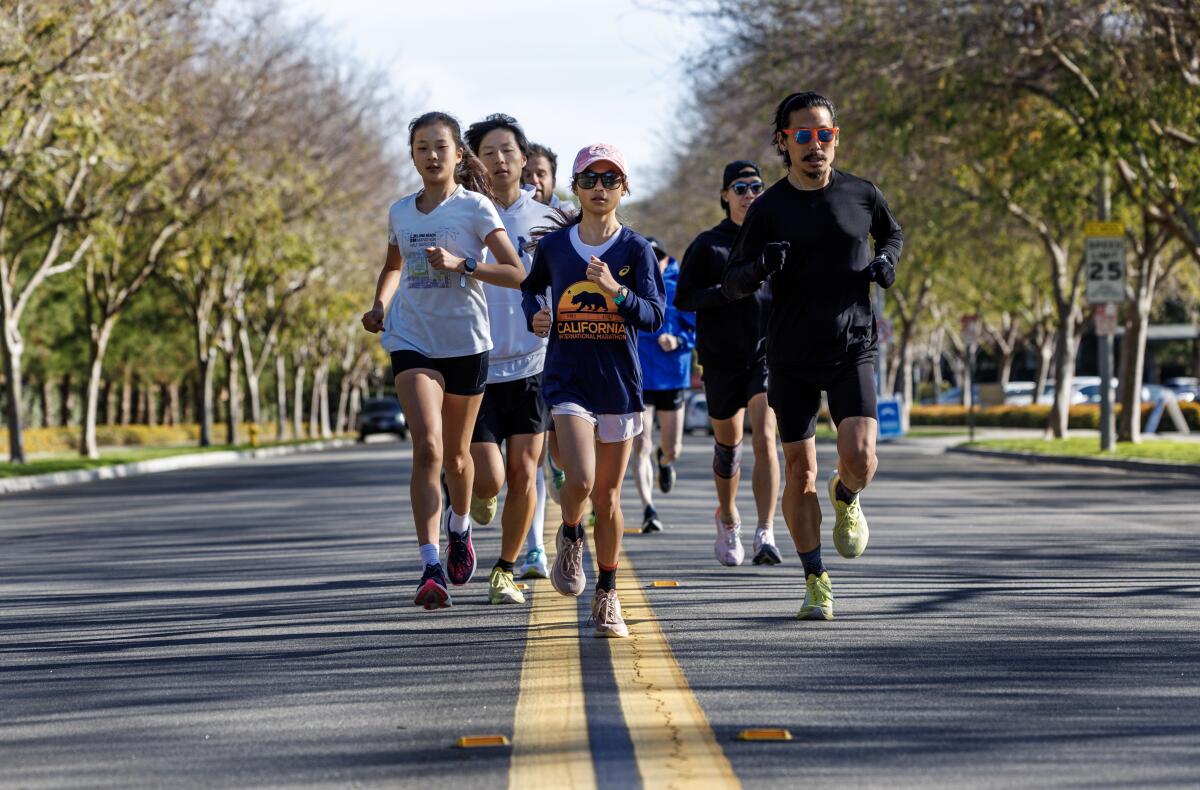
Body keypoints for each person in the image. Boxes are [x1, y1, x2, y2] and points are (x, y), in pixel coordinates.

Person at [723, 92, 903, 620]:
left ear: (835, 138)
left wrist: (887, 260)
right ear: (784, 142)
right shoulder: (769, 209)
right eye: (803, 136)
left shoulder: (862, 195)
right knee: (799, 471)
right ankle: (815, 578)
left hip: (852, 347)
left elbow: (890, 233)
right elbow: (732, 281)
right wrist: (760, 266)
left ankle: (846, 494)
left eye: (824, 135)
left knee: (862, 456)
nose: (815, 145)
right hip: (791, 357)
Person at [361, 111, 525, 611]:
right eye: (421, 147)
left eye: (440, 147)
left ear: (458, 155)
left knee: (458, 457)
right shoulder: (400, 212)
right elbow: (393, 265)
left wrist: (463, 265)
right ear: (412, 155)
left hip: (467, 344)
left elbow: (516, 272)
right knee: (427, 448)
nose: (431, 156)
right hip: (411, 336)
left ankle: (459, 528)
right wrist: (380, 305)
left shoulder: (476, 208)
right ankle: (430, 563)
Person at [521, 142, 664, 638]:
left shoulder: (636, 250)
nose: (600, 188)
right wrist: (536, 315)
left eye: (611, 179)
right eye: (590, 179)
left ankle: (607, 595)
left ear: (624, 188)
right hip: (567, 378)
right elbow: (529, 288)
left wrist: (616, 291)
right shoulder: (557, 248)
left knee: (607, 496)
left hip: (618, 384)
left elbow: (654, 315)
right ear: (576, 189)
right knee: (578, 478)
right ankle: (570, 533)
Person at [463, 114, 559, 602]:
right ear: (474, 161)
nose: (500, 161)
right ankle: (479, 493)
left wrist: (554, 315)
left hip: (532, 365)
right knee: (492, 478)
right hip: (474, 364)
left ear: (525, 159)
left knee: (525, 473)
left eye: (508, 151)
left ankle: (505, 569)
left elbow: (570, 283)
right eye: (489, 152)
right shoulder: (463, 214)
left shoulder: (551, 222)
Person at [675, 160, 782, 566]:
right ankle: (729, 516)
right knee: (729, 447)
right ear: (725, 195)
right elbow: (684, 298)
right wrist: (725, 292)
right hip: (720, 360)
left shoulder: (774, 245)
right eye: (740, 188)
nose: (749, 195)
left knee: (766, 435)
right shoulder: (707, 245)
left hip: (764, 356)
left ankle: (765, 531)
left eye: (756, 187)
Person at [631, 237, 695, 533]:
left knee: (673, 448)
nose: (652, 262)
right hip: (640, 378)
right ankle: (649, 509)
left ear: (665, 258)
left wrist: (679, 340)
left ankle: (664, 459)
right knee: (640, 444)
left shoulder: (680, 284)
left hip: (672, 377)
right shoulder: (630, 284)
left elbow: (697, 328)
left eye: (656, 256)